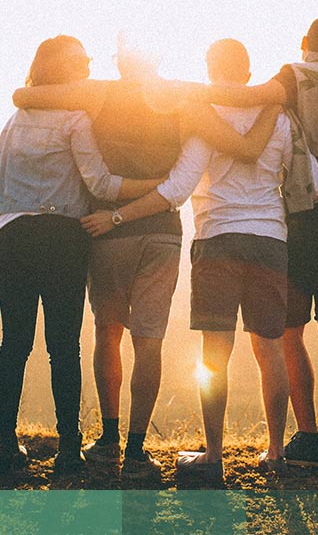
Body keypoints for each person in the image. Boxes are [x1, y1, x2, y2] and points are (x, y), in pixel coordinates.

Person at [81, 38, 318, 477]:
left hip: (216, 240)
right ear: (250, 75)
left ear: (211, 72)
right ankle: (274, 453)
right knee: (269, 350)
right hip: (270, 242)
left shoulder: (203, 120)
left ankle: (212, 457)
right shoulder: (281, 119)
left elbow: (176, 189)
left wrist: (118, 216)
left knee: (215, 353)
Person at [12, 40, 280, 479]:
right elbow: (241, 140)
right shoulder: (183, 98)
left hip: (108, 230)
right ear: (158, 59)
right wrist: (274, 100)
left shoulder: (98, 92)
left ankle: (109, 439)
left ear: (120, 61)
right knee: (149, 340)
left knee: (108, 332)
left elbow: (26, 96)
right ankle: (137, 450)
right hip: (162, 233)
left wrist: (25, 94)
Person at [172, 16, 318, 468]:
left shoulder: (293, 78)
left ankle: (298, 435)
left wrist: (179, 94)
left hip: (301, 216)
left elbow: (250, 102)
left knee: (286, 333)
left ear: (304, 44)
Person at [0, 36, 166, 476]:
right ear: (72, 72)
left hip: (11, 238)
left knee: (13, 344)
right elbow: (101, 185)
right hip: (62, 240)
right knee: (63, 347)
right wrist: (156, 186)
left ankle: (2, 445)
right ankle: (69, 450)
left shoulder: (16, 120)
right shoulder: (76, 120)